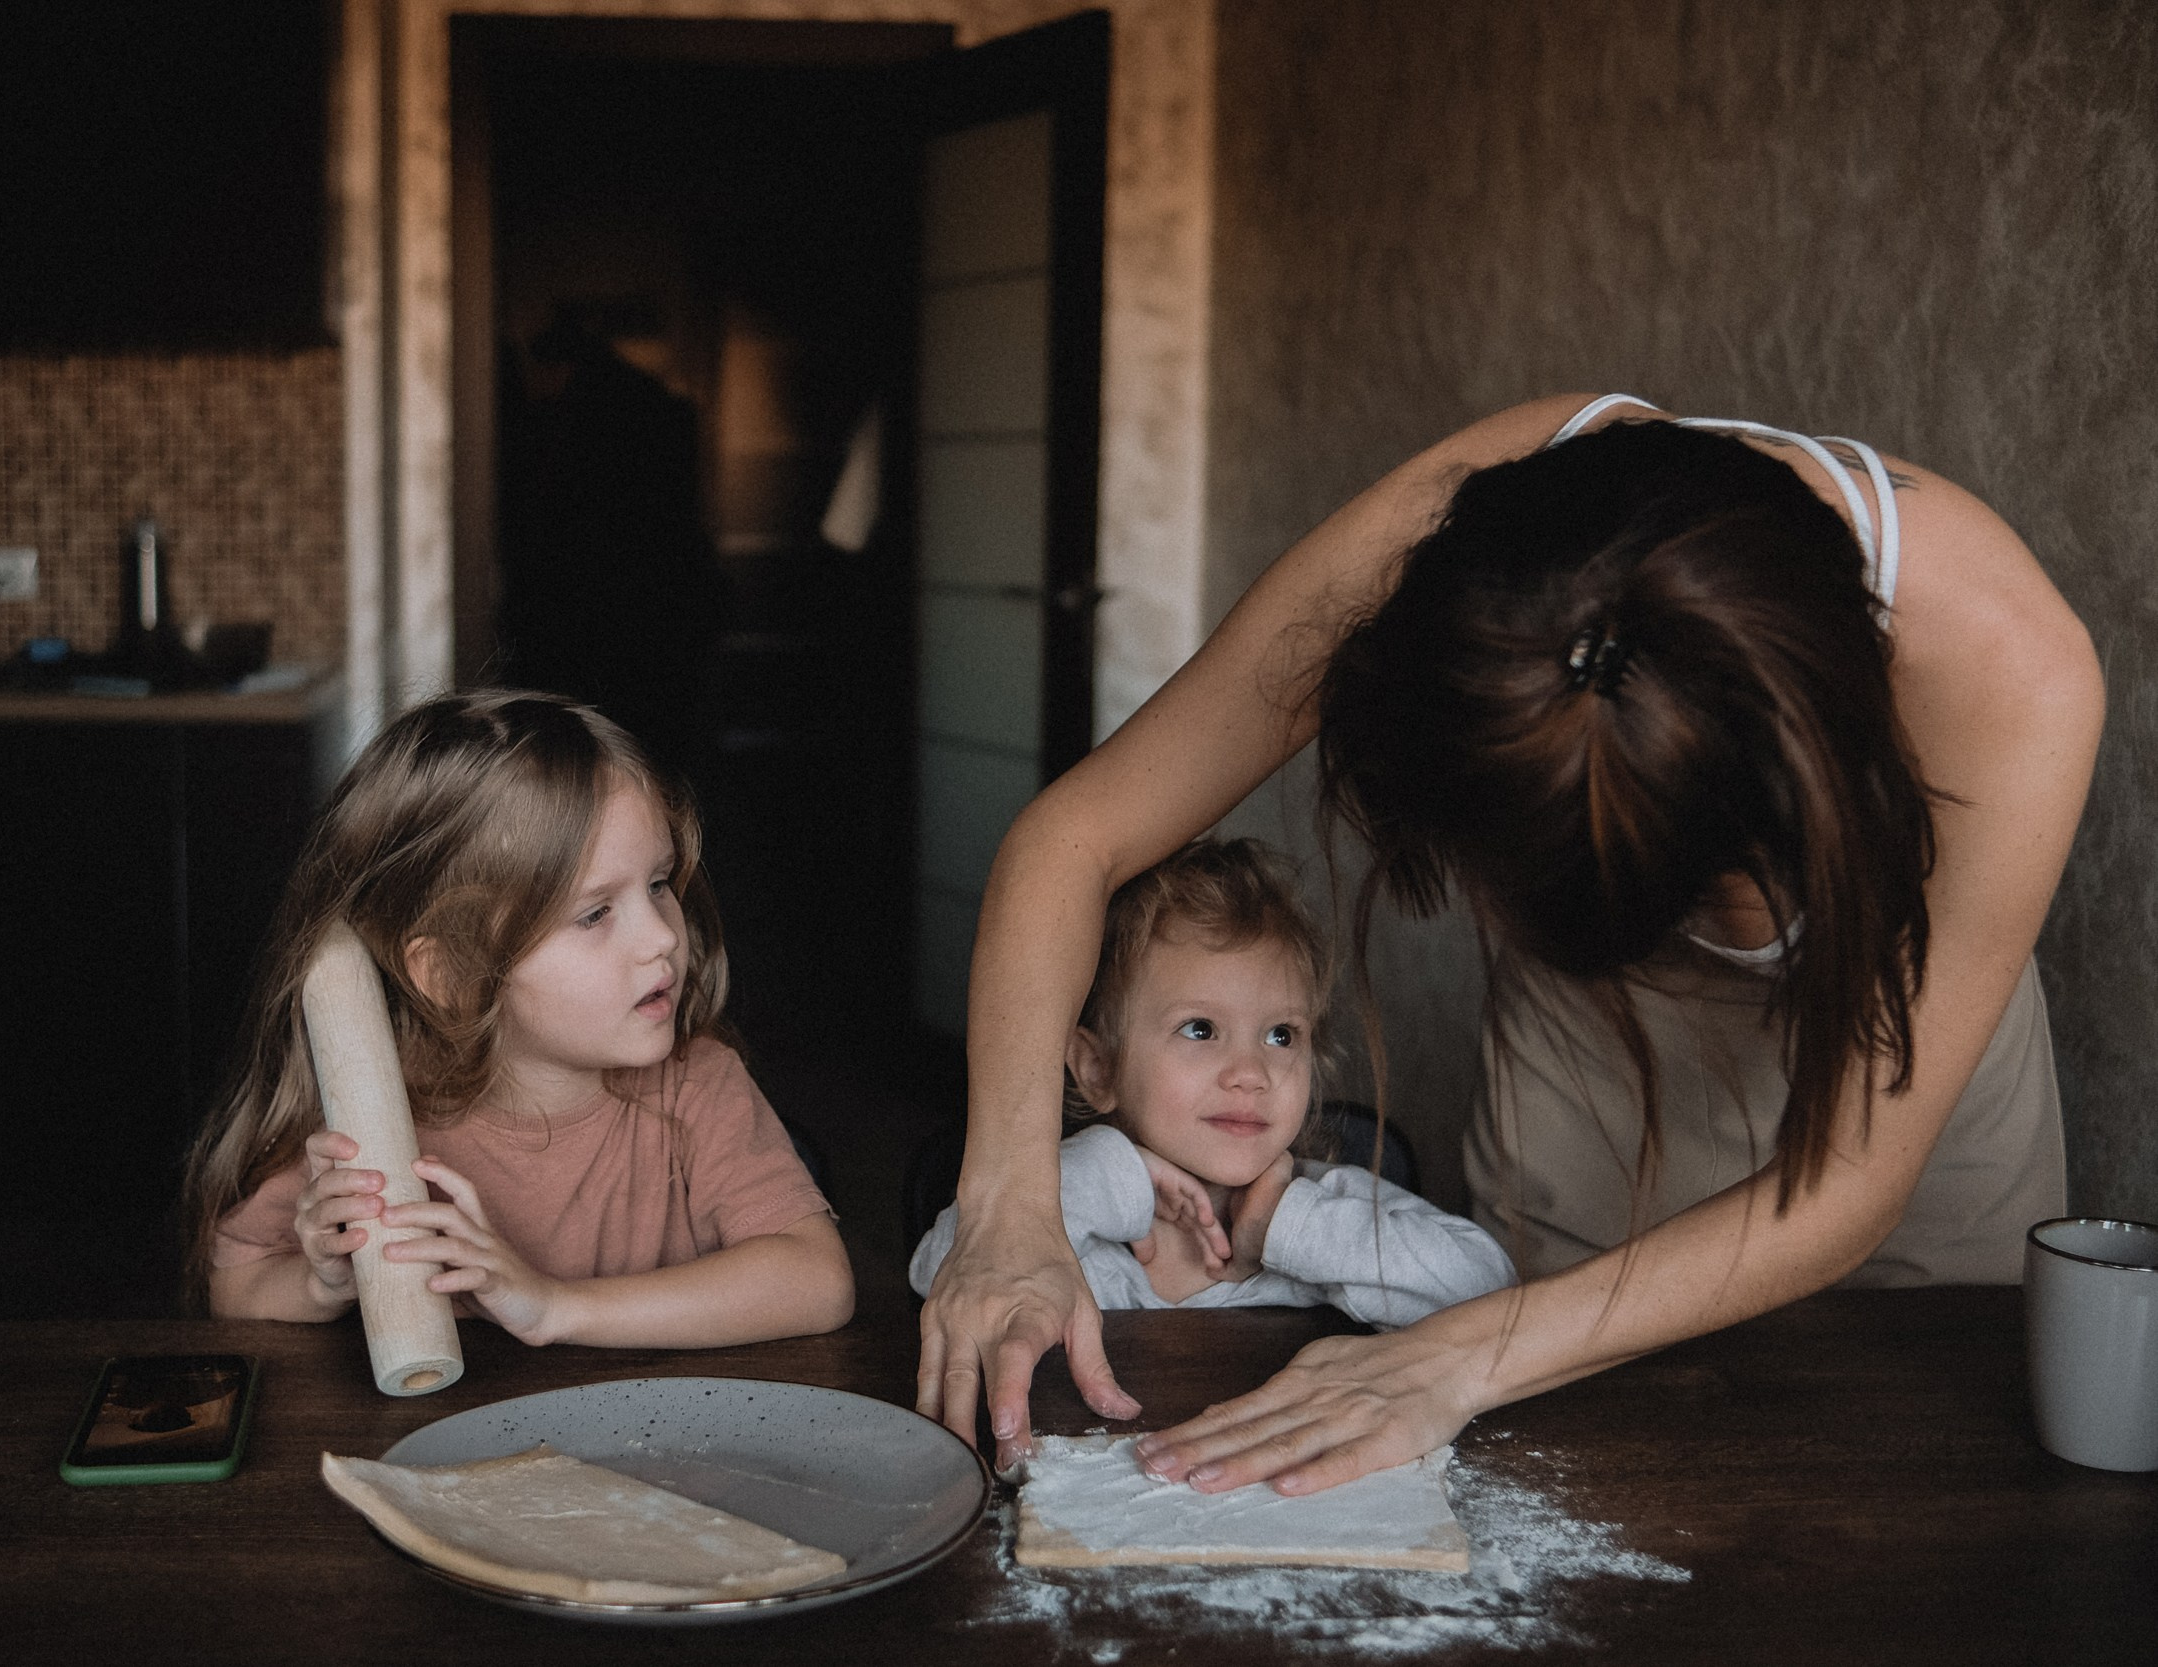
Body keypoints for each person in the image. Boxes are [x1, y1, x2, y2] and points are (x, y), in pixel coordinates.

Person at [917, 393, 2100, 1497]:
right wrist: (1011, 1201)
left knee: (1915, 1468)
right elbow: (1075, 839)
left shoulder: (2010, 674)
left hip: (1896, 1041)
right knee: (1577, 1462)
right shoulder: (1460, 534)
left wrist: (1459, 1355)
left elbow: (1845, 1184)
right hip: (1591, 1052)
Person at [183, 689, 853, 1347]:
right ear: (450, 973)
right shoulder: (375, 1116)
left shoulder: (697, 1087)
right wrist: (322, 1284)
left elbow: (818, 1277)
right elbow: (237, 1285)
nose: (662, 937)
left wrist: (554, 1306)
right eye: (595, 913)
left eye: (658, 883)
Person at [908, 838, 1513, 1325]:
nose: (1250, 1074)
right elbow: (939, 1274)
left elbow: (1490, 1291)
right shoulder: (1057, 1212)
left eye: (1282, 1035)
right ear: (1097, 1068)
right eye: (1200, 1029)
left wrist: (1286, 1226)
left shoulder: (1326, 1206)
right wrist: (1112, 1174)